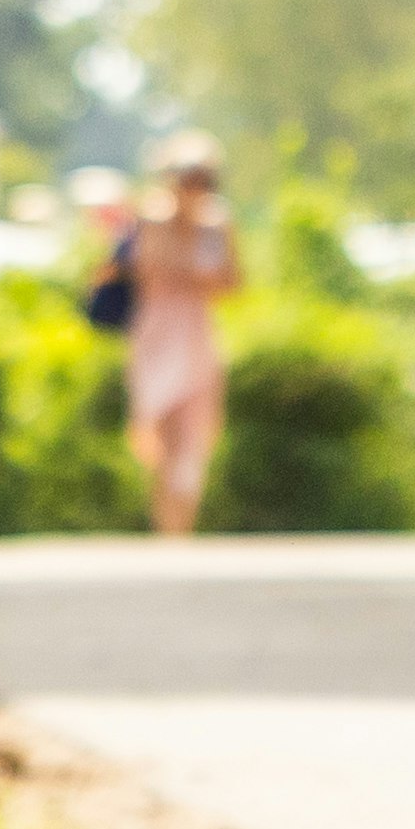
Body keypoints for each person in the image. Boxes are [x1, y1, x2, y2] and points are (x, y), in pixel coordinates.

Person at [122, 139, 243, 538]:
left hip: (197, 334)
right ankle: (164, 526)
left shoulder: (219, 223)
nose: (195, 188)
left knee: (194, 432)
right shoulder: (152, 219)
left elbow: (233, 281)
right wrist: (194, 272)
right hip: (157, 332)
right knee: (158, 428)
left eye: (203, 180)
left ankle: (181, 529)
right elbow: (149, 269)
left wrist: (190, 272)